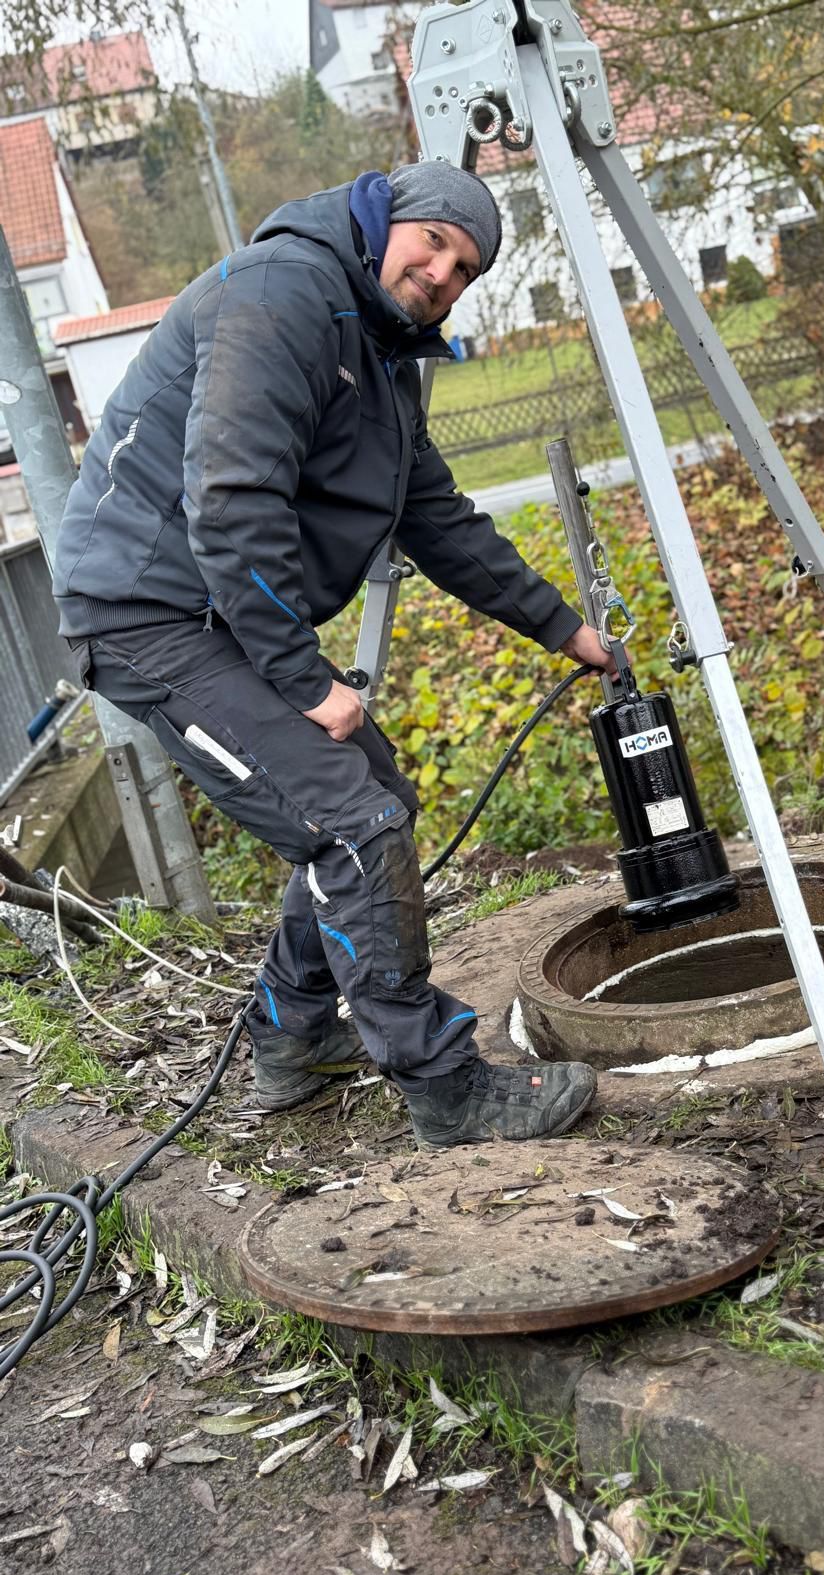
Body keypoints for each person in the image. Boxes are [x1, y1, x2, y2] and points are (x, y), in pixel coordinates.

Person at [52, 164, 613, 1147]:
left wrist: (563, 627)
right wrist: (304, 680)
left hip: (210, 610)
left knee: (364, 798)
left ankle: (292, 1037)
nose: (442, 272)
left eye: (466, 267)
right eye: (434, 241)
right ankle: (447, 1090)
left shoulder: (384, 358)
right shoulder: (287, 293)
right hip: (147, 611)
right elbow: (230, 502)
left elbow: (435, 519)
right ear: (385, 218)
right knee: (353, 821)